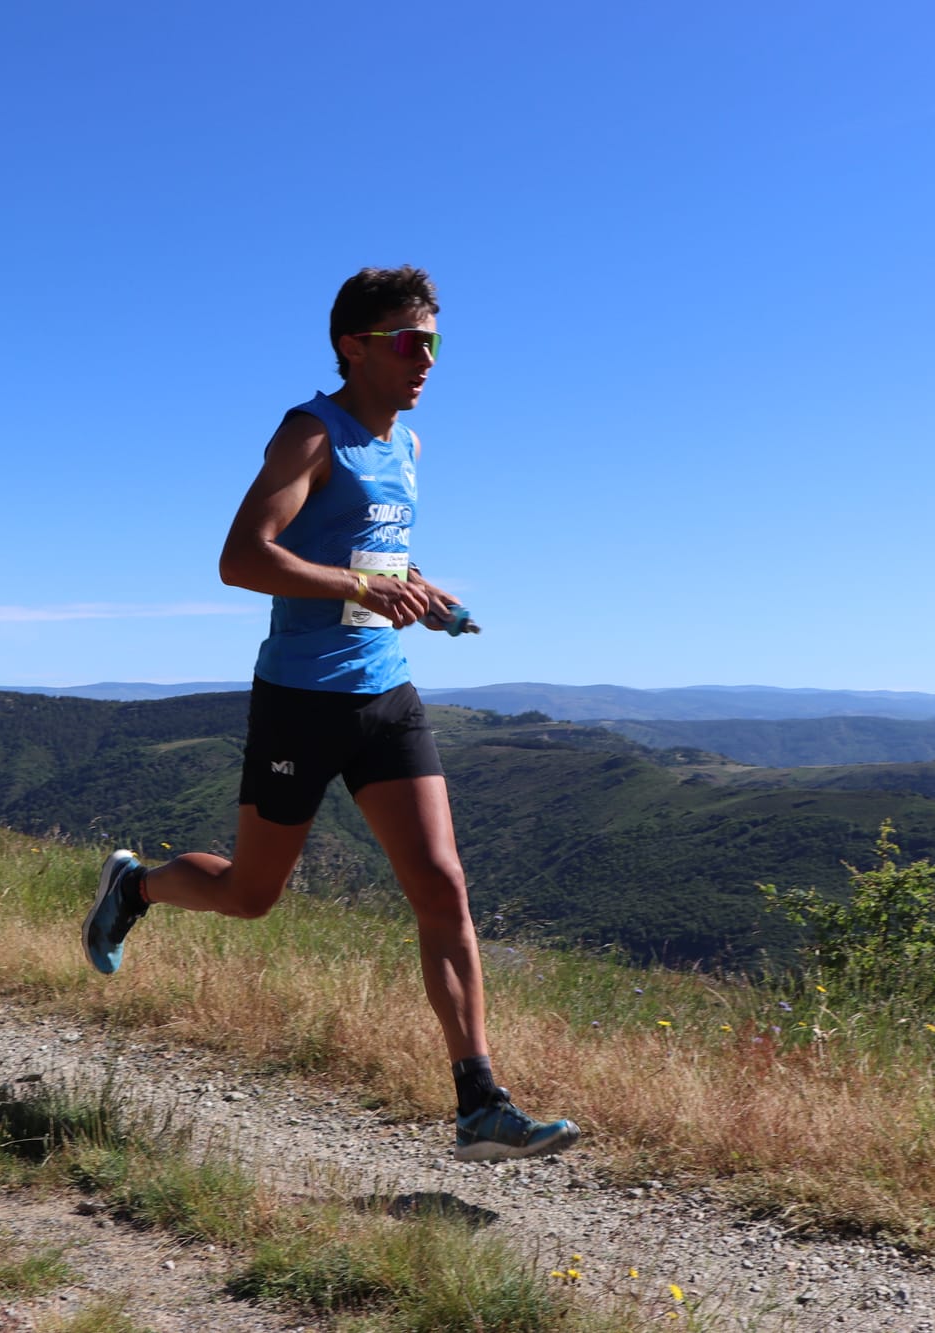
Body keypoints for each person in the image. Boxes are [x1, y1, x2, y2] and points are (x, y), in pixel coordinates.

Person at [84, 265, 579, 1163]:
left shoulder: (411, 447)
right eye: (407, 342)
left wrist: (419, 591)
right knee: (251, 894)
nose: (425, 359)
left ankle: (480, 1101)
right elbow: (242, 558)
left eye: (433, 342)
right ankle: (136, 886)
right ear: (354, 345)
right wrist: (361, 583)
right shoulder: (313, 433)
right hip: (300, 701)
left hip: (385, 693)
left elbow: (375, 550)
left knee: (443, 884)